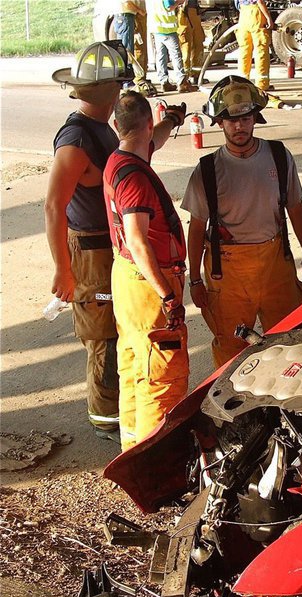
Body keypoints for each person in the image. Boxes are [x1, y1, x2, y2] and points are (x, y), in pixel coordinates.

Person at [181, 76, 302, 368]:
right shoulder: (207, 170)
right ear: (219, 122)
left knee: (290, 339)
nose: (239, 126)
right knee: (231, 348)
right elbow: (195, 228)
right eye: (231, 120)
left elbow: (295, 207)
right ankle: (238, 413)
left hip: (275, 266)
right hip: (227, 273)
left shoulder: (279, 157)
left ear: (255, 117)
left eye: (245, 118)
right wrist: (194, 279)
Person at [46, 41, 133, 442]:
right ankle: (105, 422)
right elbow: (53, 206)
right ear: (109, 91)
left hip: (107, 248)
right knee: (102, 336)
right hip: (91, 254)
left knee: (117, 328)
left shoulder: (98, 130)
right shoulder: (76, 140)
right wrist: (64, 271)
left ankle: (116, 412)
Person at [103, 90, 190, 450]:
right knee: (161, 374)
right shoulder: (136, 180)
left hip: (125, 280)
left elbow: (155, 136)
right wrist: (168, 295)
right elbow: (138, 242)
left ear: (116, 126)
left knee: (135, 367)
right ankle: (154, 458)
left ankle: (132, 448)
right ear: (146, 119)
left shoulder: (120, 158)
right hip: (147, 284)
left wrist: (172, 118)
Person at [148, 0, 196, 93]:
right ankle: (182, 82)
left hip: (157, 29)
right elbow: (168, 7)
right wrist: (179, 2)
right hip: (168, 30)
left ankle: (164, 82)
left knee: (161, 57)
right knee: (176, 56)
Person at [236, 0, 273, 94]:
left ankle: (242, 82)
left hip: (243, 15)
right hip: (256, 14)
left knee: (245, 49)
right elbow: (260, 1)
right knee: (261, 49)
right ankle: (262, 84)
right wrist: (268, 18)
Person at [177, 0, 205, 84]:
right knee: (186, 45)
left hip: (194, 10)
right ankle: (185, 76)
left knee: (198, 43)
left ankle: (196, 75)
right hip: (183, 12)